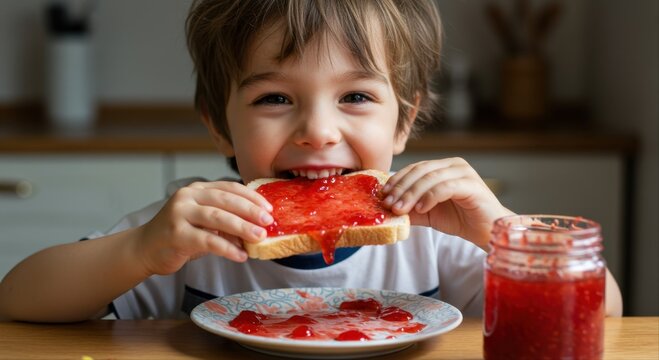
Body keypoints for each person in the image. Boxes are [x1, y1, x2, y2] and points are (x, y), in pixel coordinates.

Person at [0, 0, 622, 322]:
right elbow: (18, 300)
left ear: (404, 122)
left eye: (355, 96)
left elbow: (606, 316)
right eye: (275, 98)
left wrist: (503, 233)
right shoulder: (194, 231)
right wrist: (139, 250)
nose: (319, 132)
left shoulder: (437, 236)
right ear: (221, 125)